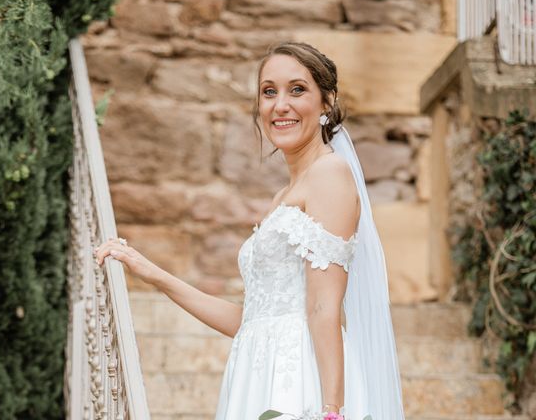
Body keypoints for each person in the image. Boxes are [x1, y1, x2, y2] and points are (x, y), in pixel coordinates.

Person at [95, 42, 406, 420]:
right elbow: (250, 320)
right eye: (268, 91)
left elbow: (324, 307)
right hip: (254, 374)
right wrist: (152, 273)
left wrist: (331, 411)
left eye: (297, 89)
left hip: (299, 381)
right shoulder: (282, 197)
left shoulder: (329, 174)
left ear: (327, 102)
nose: (280, 105)